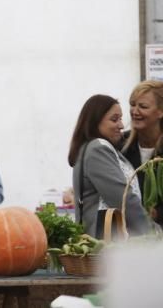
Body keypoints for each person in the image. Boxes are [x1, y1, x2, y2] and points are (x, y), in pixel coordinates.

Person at [69, 94, 152, 236]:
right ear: (95, 121)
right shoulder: (98, 149)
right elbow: (123, 199)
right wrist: (153, 232)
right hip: (106, 242)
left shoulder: (101, 148)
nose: (121, 125)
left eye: (120, 118)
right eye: (114, 119)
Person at [120, 80, 163, 223]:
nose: (135, 111)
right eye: (132, 105)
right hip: (129, 234)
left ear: (160, 112)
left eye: (143, 106)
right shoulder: (119, 145)